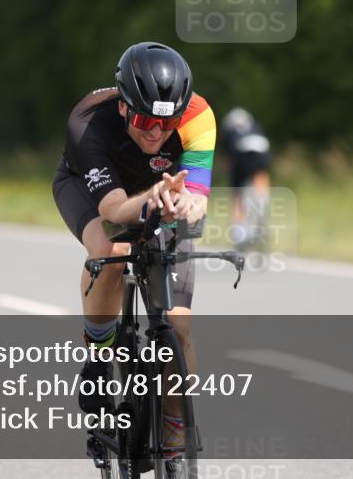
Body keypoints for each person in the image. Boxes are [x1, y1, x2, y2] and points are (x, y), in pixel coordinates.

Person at [52, 41, 215, 463]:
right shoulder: (88, 123)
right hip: (93, 190)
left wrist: (185, 203)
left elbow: (197, 197)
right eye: (144, 120)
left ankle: (174, 439)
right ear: (124, 107)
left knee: (179, 330)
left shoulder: (199, 117)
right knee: (110, 249)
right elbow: (111, 211)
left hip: (161, 194)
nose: (156, 132)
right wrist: (153, 198)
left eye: (167, 123)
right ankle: (98, 357)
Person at [219, 107, 271, 247]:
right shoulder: (255, 126)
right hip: (261, 149)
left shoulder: (229, 130)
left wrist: (231, 173)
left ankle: (239, 232)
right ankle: (261, 205)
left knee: (237, 195)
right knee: (260, 178)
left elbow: (228, 156)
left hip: (239, 153)